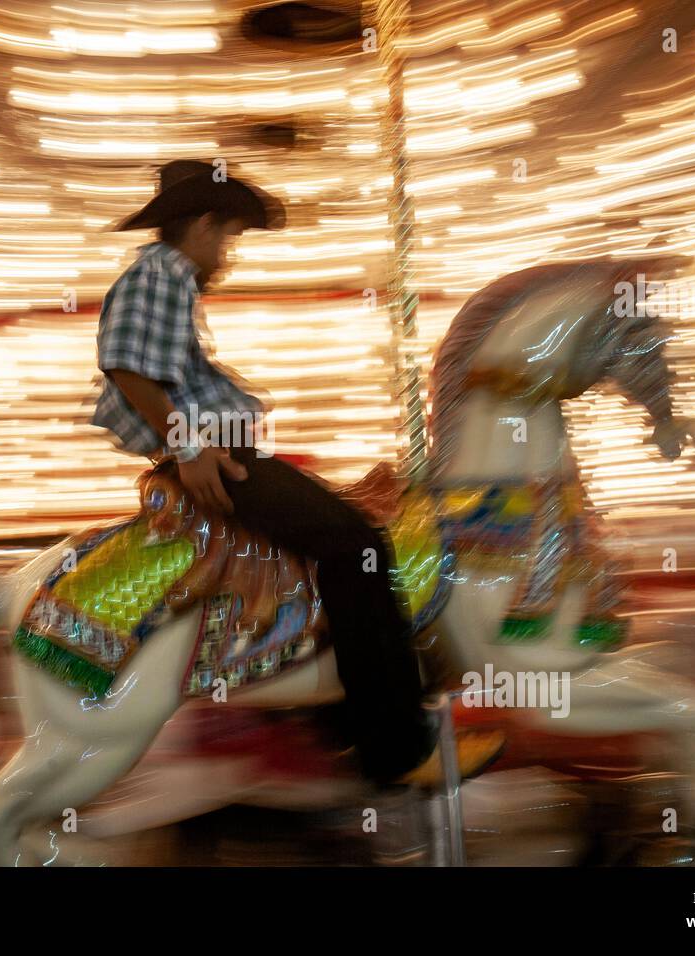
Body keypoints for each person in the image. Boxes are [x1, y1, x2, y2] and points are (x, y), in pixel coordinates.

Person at [92, 159, 486, 786]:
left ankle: (331, 724)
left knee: (328, 545)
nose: (227, 253)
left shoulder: (166, 280)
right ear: (199, 224)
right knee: (358, 545)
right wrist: (189, 448)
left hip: (216, 449)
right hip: (218, 457)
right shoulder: (161, 275)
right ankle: (396, 749)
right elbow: (126, 366)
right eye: (226, 236)